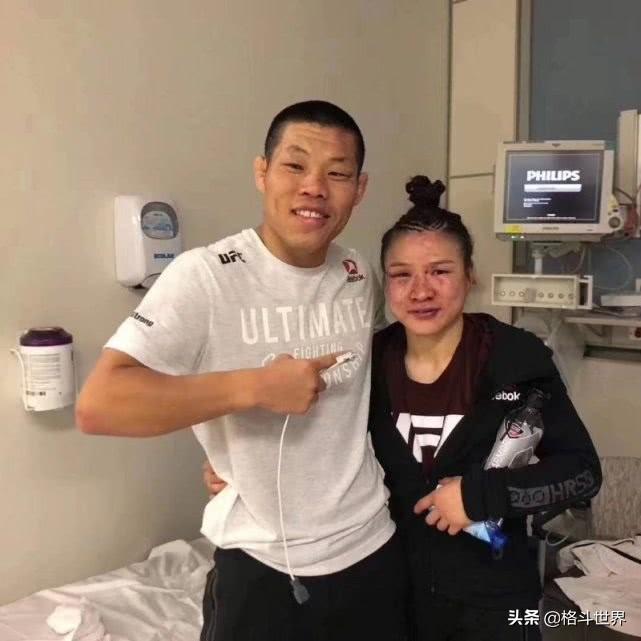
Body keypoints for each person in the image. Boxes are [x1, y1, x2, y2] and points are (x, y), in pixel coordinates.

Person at [76, 100, 408, 641]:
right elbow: (100, 405)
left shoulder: (358, 274)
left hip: (373, 546)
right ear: (262, 173)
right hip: (264, 565)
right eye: (295, 166)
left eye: (337, 173)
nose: (314, 187)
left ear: (360, 189)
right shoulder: (205, 276)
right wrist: (253, 388)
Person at [368, 175, 602, 640]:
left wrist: (481, 497)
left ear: (469, 274)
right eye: (402, 274)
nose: (420, 291)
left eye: (440, 271)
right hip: (390, 597)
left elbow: (582, 472)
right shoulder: (370, 363)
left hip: (494, 603)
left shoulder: (515, 359)